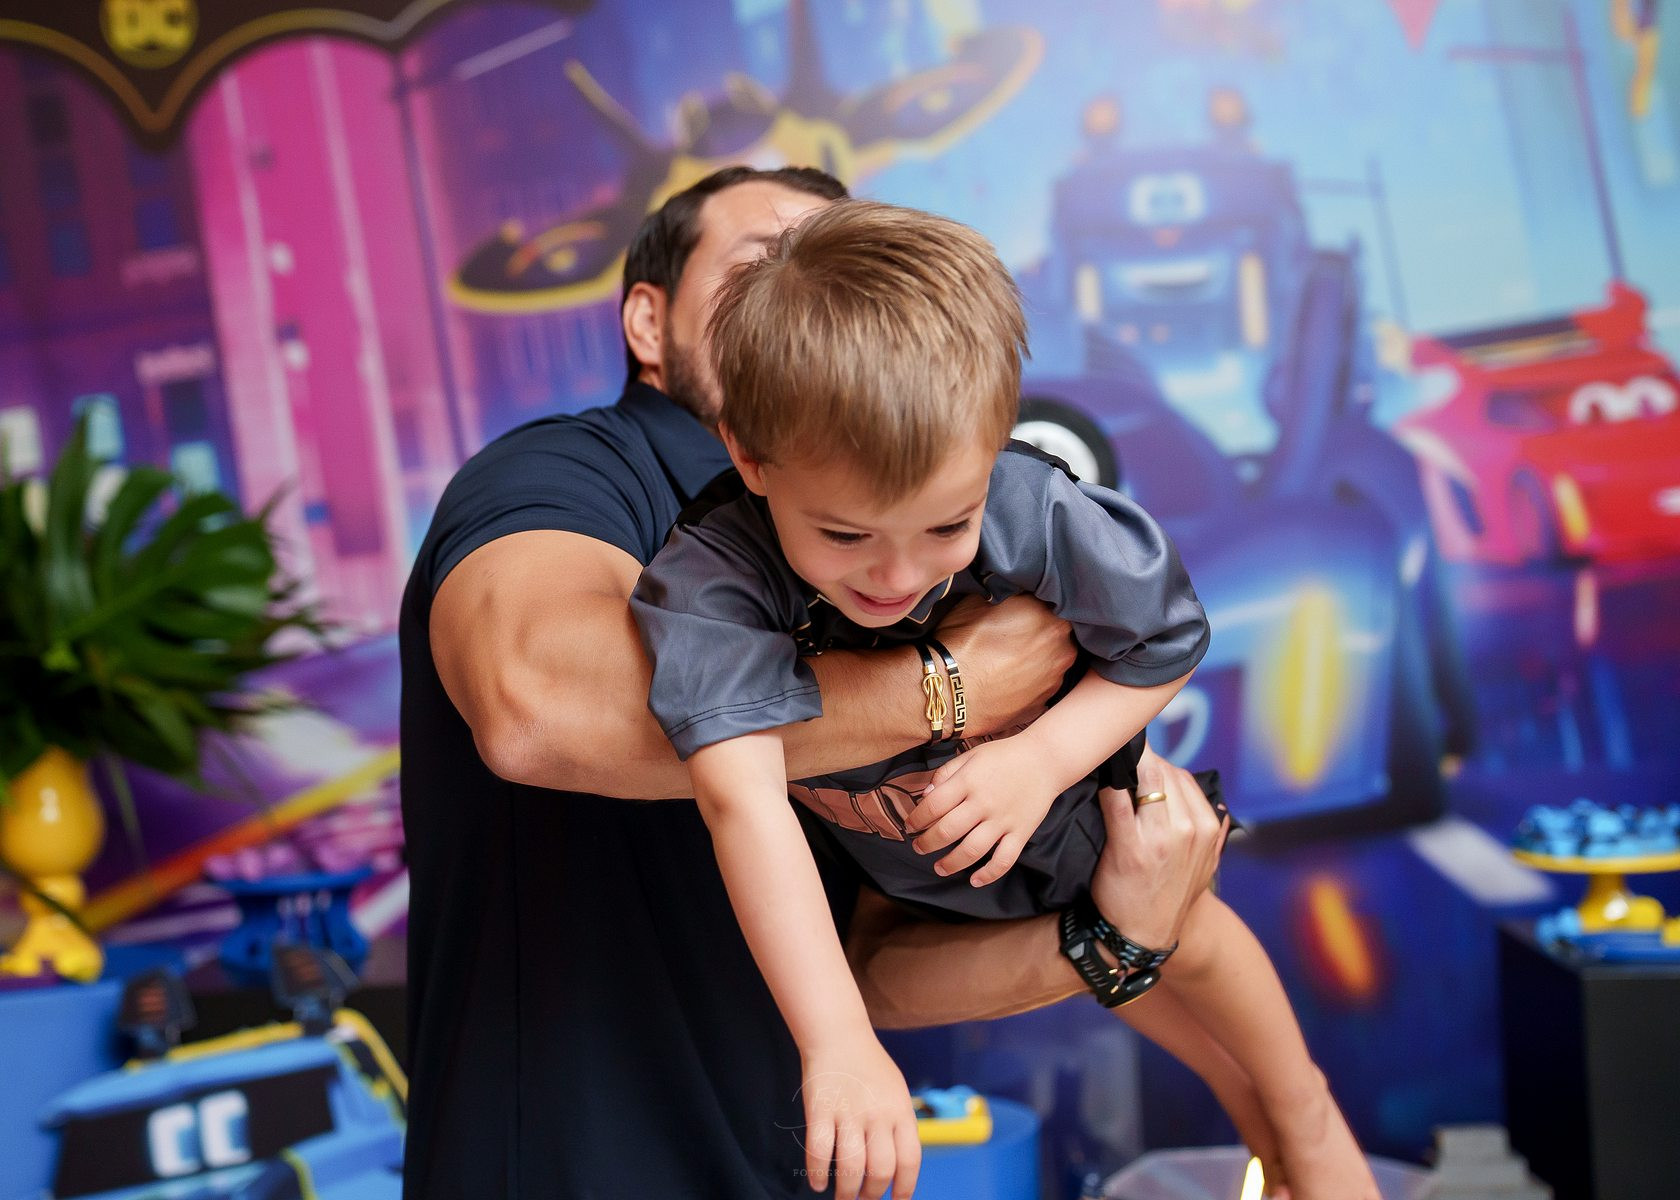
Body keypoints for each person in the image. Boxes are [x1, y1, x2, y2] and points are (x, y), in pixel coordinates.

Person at [402, 165, 1298, 1200]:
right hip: (575, 1164)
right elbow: (536, 708)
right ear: (650, 322)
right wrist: (950, 686)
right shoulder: (577, 472)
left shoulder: (981, 509)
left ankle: (1303, 1133)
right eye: (763, 265)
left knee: (1196, 930)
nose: (894, 571)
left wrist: (1112, 934)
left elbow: (877, 963)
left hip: (796, 1147)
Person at [629, 199, 1378, 1200]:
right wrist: (836, 1042)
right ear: (750, 456)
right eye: (846, 536)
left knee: (1186, 934)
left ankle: (1304, 1113)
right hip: (915, 885)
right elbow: (743, 800)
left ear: (994, 450)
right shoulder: (710, 582)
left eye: (948, 527)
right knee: (1112, 973)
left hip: (1079, 822)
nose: (899, 576)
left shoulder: (1031, 504)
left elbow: (1164, 640)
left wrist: (1040, 760)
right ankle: (1260, 1117)